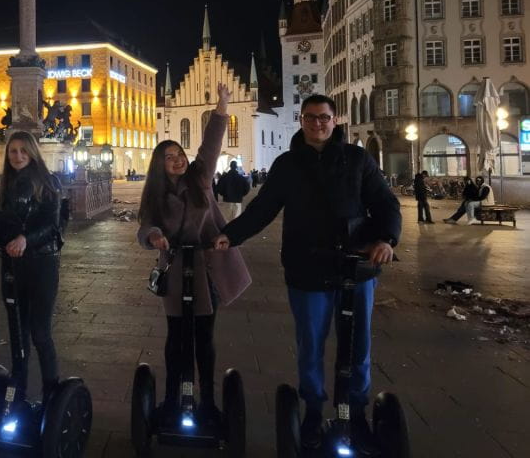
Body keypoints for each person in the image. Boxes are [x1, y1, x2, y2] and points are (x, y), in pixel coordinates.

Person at [215, 94, 400, 450]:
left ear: (334, 121)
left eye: (324, 118)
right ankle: (313, 409)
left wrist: (387, 239)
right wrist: (230, 235)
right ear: (302, 120)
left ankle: (355, 411)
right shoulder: (287, 165)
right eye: (311, 118)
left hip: (356, 267)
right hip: (307, 267)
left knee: (358, 345)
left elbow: (385, 203)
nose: (318, 124)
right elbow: (263, 209)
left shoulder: (358, 159)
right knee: (311, 345)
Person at [137, 83, 252, 425]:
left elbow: (211, 143)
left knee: (204, 338)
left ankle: (208, 400)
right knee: (175, 339)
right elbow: (145, 228)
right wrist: (155, 237)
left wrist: (223, 105)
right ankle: (172, 397)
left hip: (207, 268)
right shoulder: (155, 196)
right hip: (174, 269)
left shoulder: (200, 177)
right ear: (160, 165)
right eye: (169, 157)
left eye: (179, 155)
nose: (177, 160)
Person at [0, 131, 65, 404]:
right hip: (12, 266)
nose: (18, 156)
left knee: (39, 332)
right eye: (13, 151)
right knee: (17, 333)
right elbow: (0, 230)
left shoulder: (49, 183)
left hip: (42, 264)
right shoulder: (5, 187)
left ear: (33, 153)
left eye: (24, 150)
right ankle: (18, 391)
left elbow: (52, 227)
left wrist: (26, 239)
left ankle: (51, 394)